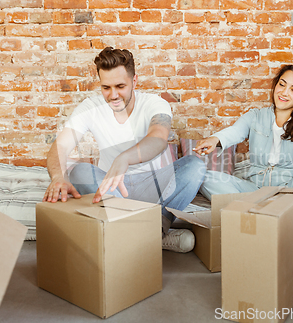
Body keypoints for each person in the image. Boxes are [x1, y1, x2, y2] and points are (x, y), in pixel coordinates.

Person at [43, 47, 206, 253]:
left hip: (153, 187)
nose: (113, 95)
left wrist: (125, 158)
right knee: (78, 171)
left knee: (195, 166)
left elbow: (159, 138)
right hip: (112, 191)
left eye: (120, 86)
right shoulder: (89, 107)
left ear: (134, 81)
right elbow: (61, 145)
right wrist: (58, 176)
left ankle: (156, 231)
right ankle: (144, 237)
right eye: (106, 87)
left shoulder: (155, 103)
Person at [193, 63, 293, 260]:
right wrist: (214, 140)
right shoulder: (256, 116)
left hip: (290, 191)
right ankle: (271, 217)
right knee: (203, 176)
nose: (284, 93)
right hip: (255, 190)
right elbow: (236, 131)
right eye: (282, 84)